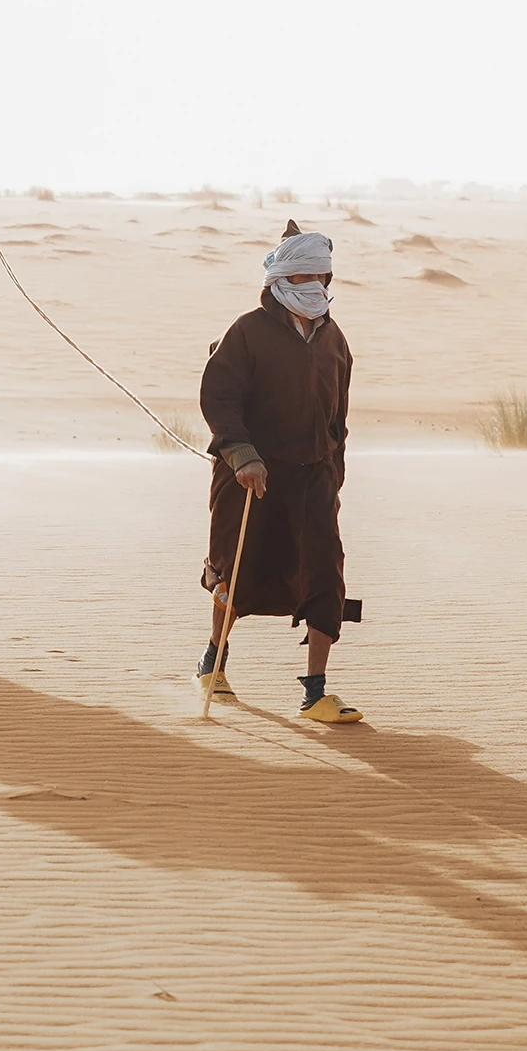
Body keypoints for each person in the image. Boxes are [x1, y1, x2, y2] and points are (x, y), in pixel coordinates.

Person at [196, 221, 360, 722]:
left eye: (321, 278)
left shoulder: (335, 339)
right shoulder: (247, 331)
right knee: (236, 571)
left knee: (323, 578)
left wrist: (334, 472)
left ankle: (315, 693)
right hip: (250, 478)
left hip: (313, 481)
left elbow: (339, 416)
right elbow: (220, 399)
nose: (313, 287)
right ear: (279, 279)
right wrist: (243, 456)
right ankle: (214, 665)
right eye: (303, 277)